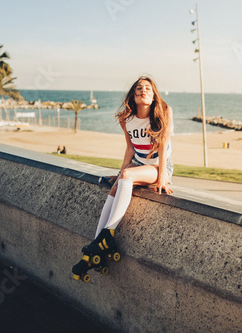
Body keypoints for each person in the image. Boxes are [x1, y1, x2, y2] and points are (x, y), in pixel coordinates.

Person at [72, 76, 175, 281]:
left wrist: (162, 178)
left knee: (127, 175)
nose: (143, 91)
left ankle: (108, 234)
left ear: (154, 95)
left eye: (148, 88)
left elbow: (163, 147)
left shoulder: (164, 111)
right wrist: (119, 174)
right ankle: (93, 250)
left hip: (157, 166)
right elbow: (130, 148)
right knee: (117, 185)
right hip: (136, 164)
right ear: (133, 95)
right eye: (139, 88)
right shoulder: (126, 119)